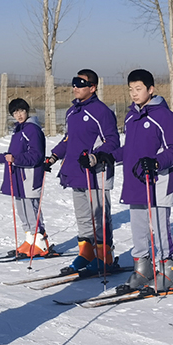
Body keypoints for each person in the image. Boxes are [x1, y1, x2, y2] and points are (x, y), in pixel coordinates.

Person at [111, 69, 173, 292]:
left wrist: (156, 162)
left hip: (158, 181)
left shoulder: (164, 116)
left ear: (151, 90)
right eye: (131, 89)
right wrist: (108, 156)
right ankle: (143, 267)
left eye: (139, 89)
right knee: (138, 227)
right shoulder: (131, 116)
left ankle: (167, 269)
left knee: (159, 226)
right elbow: (130, 149)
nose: (134, 93)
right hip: (135, 180)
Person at [45, 70, 120, 274]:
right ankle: (86, 252)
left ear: (93, 88)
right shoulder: (72, 112)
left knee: (99, 215)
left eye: (80, 83)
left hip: (95, 173)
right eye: (74, 83)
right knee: (83, 217)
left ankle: (105, 255)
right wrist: (53, 156)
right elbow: (68, 140)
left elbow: (112, 141)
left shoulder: (101, 111)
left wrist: (95, 156)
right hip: (75, 172)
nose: (75, 87)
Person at [0, 98, 49, 256]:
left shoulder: (32, 130)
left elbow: (36, 155)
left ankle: (40, 243)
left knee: (31, 209)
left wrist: (16, 160)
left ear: (27, 111)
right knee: (22, 210)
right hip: (19, 176)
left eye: (21, 111)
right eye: (15, 112)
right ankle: (30, 240)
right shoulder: (19, 130)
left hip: (30, 175)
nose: (19, 115)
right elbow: (13, 154)